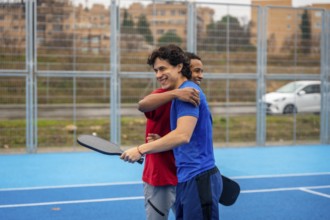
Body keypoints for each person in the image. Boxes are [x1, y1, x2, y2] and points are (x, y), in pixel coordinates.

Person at [121, 44, 222, 220]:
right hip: (186, 179)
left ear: (179, 67)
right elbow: (143, 105)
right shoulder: (178, 95)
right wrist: (162, 140)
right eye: (156, 70)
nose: (158, 74)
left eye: (163, 68)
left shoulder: (188, 94)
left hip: (197, 177)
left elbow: (183, 135)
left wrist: (140, 150)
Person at [137, 52, 203, 220]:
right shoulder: (163, 94)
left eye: (201, 71)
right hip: (161, 175)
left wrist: (167, 140)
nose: (198, 75)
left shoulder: (194, 97)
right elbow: (143, 105)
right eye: (195, 70)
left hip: (184, 174)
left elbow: (188, 136)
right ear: (182, 69)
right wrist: (175, 94)